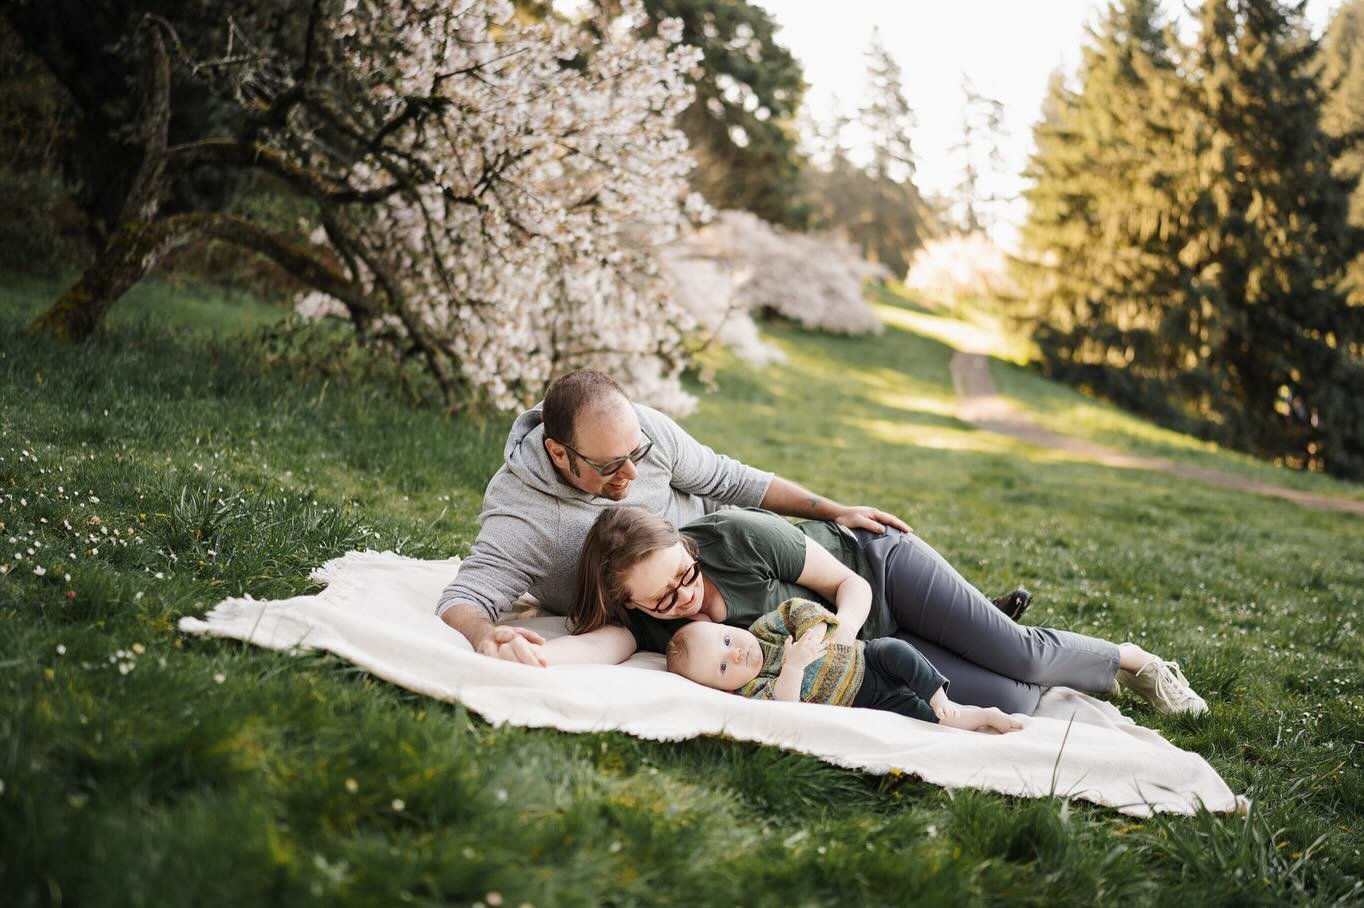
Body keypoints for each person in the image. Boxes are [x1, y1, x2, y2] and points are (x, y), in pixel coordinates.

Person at [437, 369, 923, 665]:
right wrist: (484, 635)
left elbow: (732, 480)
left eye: (636, 452)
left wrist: (835, 509)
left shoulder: (644, 430)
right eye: (608, 466)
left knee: (854, 601)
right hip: (670, 622)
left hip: (733, 567)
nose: (631, 472)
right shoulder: (523, 516)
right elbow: (466, 595)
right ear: (559, 455)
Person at [549, 506, 1209, 717]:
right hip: (873, 645)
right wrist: (534, 650)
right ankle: (991, 622)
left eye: (685, 575)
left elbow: (845, 586)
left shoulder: (734, 536)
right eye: (663, 598)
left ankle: (1136, 662)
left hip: (880, 574)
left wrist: (840, 641)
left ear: (686, 546)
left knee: (1019, 652)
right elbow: (600, 646)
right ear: (630, 601)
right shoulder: (644, 620)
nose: (683, 598)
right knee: (1016, 699)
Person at [666, 597, 1026, 734]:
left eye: (727, 641)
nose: (737, 655)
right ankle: (982, 716)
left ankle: (936, 692)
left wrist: (815, 632)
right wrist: (792, 668)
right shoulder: (750, 691)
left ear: (727, 628)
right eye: (723, 668)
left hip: (868, 658)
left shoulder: (764, 630)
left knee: (896, 649)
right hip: (866, 700)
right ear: (718, 687)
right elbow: (786, 709)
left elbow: (797, 608)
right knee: (931, 722)